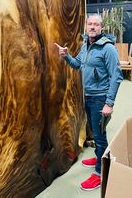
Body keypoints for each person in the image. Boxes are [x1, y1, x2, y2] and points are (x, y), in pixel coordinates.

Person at [54, 14, 123, 191]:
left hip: (100, 99)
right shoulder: (86, 45)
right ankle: (99, 156)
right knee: (95, 130)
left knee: (100, 136)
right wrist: (66, 56)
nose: (92, 27)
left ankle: (100, 172)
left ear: (101, 27)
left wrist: (109, 103)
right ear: (86, 26)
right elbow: (78, 64)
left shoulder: (108, 49)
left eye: (96, 25)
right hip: (88, 97)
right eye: (90, 24)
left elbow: (116, 77)